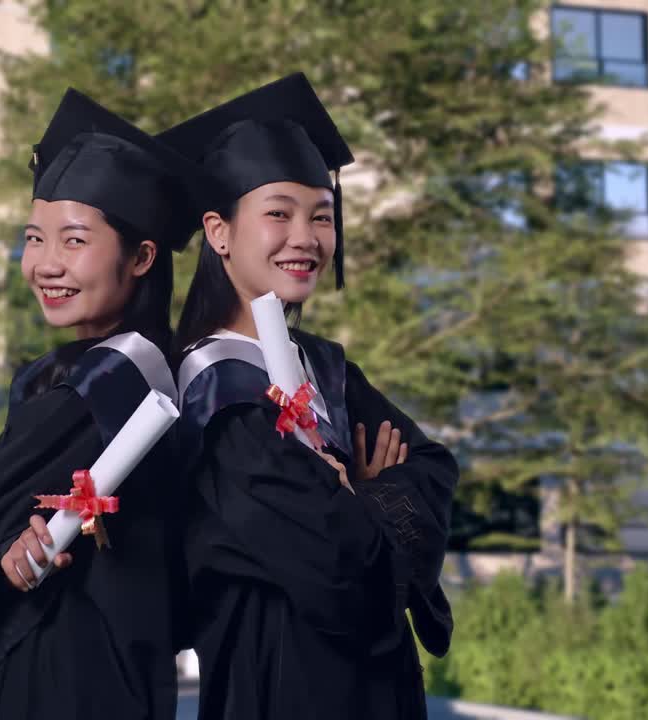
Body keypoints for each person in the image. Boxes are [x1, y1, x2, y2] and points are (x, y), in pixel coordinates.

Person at [159, 73, 459, 719]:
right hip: (277, 678)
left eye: (321, 216)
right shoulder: (215, 392)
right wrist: (370, 492)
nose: (306, 237)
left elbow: (433, 470)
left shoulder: (327, 367)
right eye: (278, 213)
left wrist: (356, 495)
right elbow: (333, 563)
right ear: (219, 232)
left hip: (381, 680)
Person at [0, 88, 205, 720]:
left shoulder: (119, 379)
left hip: (69, 672)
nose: (45, 264)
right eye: (33, 238)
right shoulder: (67, 372)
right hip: (72, 663)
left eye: (73, 241)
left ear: (142, 258)